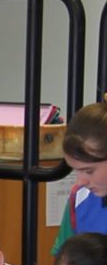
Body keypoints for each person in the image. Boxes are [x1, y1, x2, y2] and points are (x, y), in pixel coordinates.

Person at [52, 102, 107, 254]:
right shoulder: (80, 197)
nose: (81, 181)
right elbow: (66, 259)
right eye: (76, 171)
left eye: (89, 171)